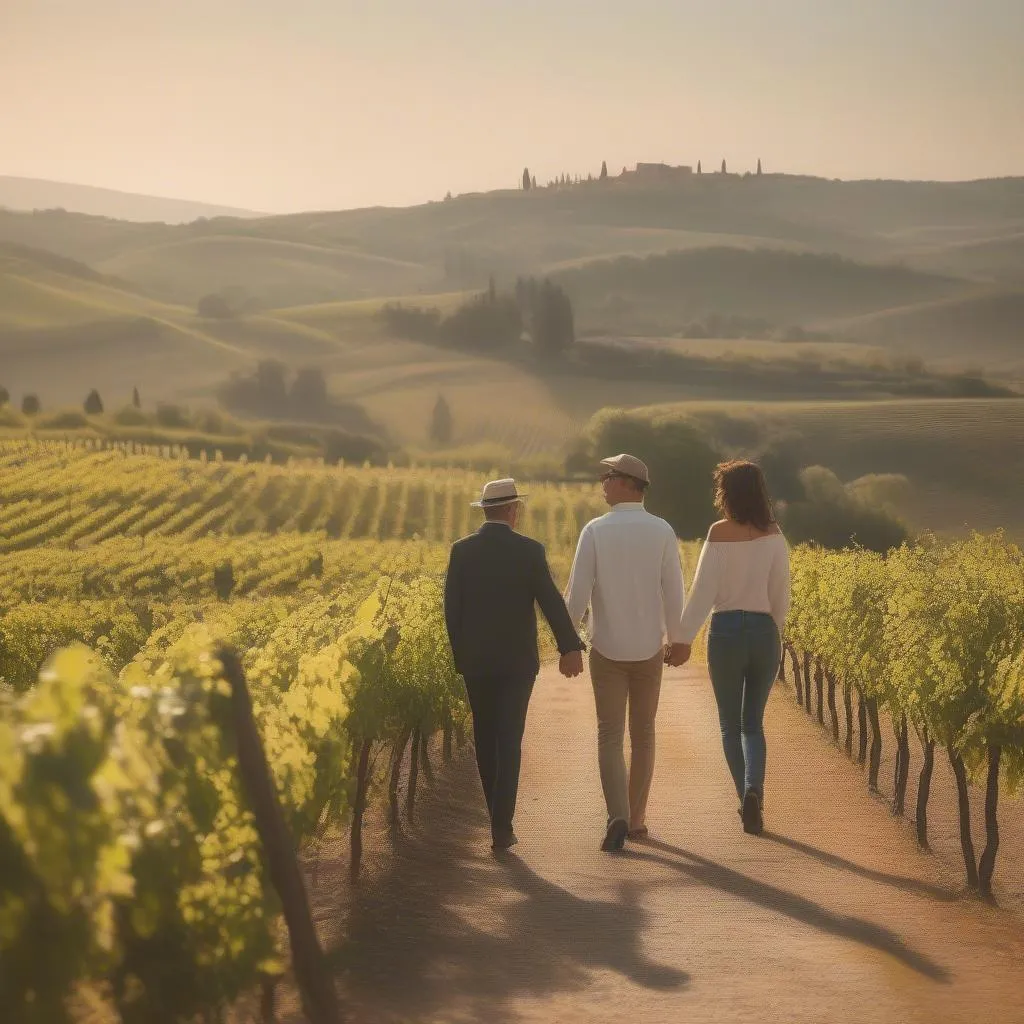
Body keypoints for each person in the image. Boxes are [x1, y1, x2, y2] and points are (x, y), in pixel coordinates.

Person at [444, 477, 586, 851]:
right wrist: (569, 646)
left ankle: (495, 814)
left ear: (487, 510)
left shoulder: (461, 552)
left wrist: (461, 656)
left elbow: (451, 611)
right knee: (510, 741)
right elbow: (550, 602)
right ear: (512, 510)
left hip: (475, 662)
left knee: (485, 738)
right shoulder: (529, 551)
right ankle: (501, 826)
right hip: (517, 662)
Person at [564, 454, 687, 852]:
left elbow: (577, 593)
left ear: (625, 482)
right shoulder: (663, 531)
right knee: (644, 733)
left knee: (610, 734)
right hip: (650, 648)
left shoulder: (595, 531)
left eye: (607, 476)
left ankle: (616, 814)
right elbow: (674, 590)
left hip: (607, 647)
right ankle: (636, 820)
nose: (601, 482)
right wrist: (679, 638)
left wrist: (569, 641)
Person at [670, 460, 791, 836]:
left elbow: (702, 592)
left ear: (726, 493)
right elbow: (781, 595)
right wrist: (775, 632)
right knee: (753, 724)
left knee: (729, 725)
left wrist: (683, 639)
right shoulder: (774, 534)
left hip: (725, 633)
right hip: (763, 632)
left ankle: (746, 799)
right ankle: (755, 789)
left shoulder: (718, 533)